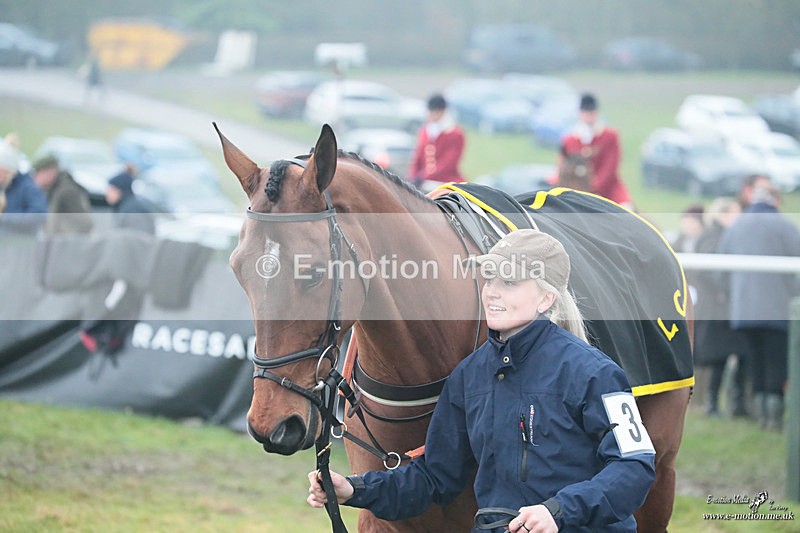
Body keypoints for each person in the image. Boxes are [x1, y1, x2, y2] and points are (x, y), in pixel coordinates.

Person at [307, 229, 656, 532]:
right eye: (490, 279)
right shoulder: (468, 376)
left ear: (546, 298)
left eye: (509, 282)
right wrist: (354, 490)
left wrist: (558, 511)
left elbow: (634, 467)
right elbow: (434, 478)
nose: (492, 292)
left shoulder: (596, 372)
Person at [718, 184, 800, 431]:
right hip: (777, 309)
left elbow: (721, 270)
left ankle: (761, 414)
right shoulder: (786, 226)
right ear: (775, 201)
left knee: (755, 362)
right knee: (776, 362)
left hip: (743, 311)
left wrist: (733, 295)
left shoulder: (736, 227)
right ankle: (774, 417)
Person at [691, 197, 742, 417]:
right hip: (715, 306)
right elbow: (706, 270)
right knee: (717, 356)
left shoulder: (714, 234)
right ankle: (711, 403)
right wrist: (723, 290)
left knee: (719, 355)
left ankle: (716, 403)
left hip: (715, 305)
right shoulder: (714, 236)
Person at [559, 93, 632, 208]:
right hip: (578, 193)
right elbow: (563, 167)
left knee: (626, 208)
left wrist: (593, 189)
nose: (589, 117)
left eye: (591, 113)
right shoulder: (569, 140)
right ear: (580, 114)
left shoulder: (610, 136)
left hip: (609, 190)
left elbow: (610, 168)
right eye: (586, 113)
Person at [409, 93, 466, 190]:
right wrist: (413, 177)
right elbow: (417, 157)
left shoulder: (455, 133)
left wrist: (423, 176)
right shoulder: (424, 131)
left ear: (441, 112)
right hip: (422, 182)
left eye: (433, 112)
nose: (429, 114)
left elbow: (448, 163)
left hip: (446, 181)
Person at [32, 154, 94, 235]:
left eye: (38, 173)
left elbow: (85, 223)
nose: (35, 178)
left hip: (69, 241)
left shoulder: (66, 191)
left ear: (51, 171)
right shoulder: (53, 190)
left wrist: (66, 238)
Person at [0, 140, 46, 233]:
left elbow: (38, 217)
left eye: (2, 171)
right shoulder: (3, 187)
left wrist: (5, 219)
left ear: (10, 171)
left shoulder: (28, 188)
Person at [104, 164, 155, 235]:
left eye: (110, 190)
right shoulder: (125, 206)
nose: (107, 194)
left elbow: (140, 237)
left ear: (119, 190)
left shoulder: (133, 209)